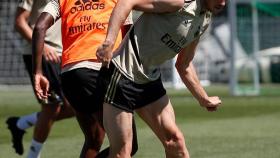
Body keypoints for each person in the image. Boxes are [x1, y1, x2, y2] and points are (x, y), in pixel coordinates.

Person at [96, 0, 225, 157]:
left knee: (175, 142)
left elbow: (184, 64)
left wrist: (203, 99)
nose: (223, 3)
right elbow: (126, 2)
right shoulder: (179, 3)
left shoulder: (204, 18)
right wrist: (109, 42)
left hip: (149, 80)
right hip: (122, 74)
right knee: (122, 151)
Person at [31, 0, 138, 157]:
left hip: (70, 75)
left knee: (94, 139)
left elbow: (40, 27)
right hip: (101, 71)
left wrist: (38, 72)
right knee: (129, 144)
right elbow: (128, 36)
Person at [6, 0, 75, 157]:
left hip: (61, 54)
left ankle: (20, 123)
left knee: (74, 107)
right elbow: (19, 21)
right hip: (42, 54)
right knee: (52, 107)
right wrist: (43, 47)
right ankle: (33, 155)